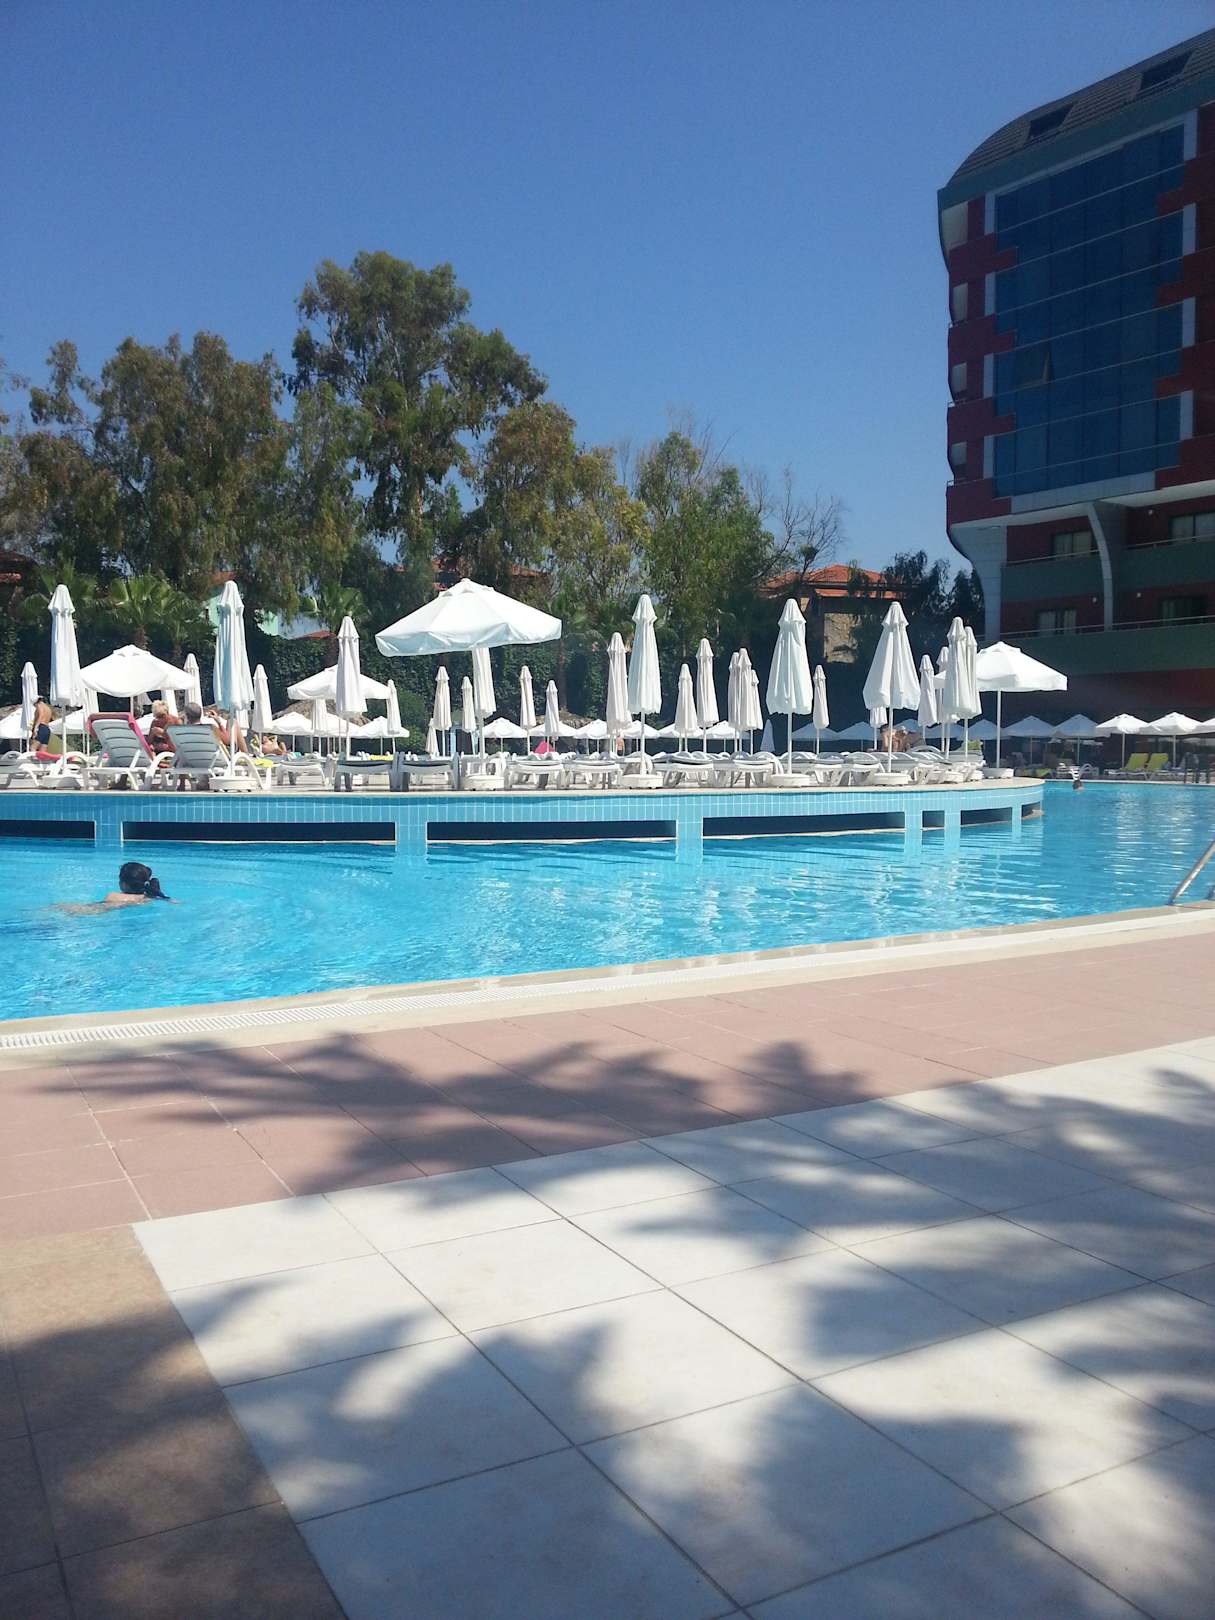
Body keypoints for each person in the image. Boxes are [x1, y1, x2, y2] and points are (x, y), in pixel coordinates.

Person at [56, 861, 173, 915]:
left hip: (88, 913)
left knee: (58, 906)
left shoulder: (114, 896)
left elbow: (95, 910)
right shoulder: (149, 897)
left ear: (123, 884)